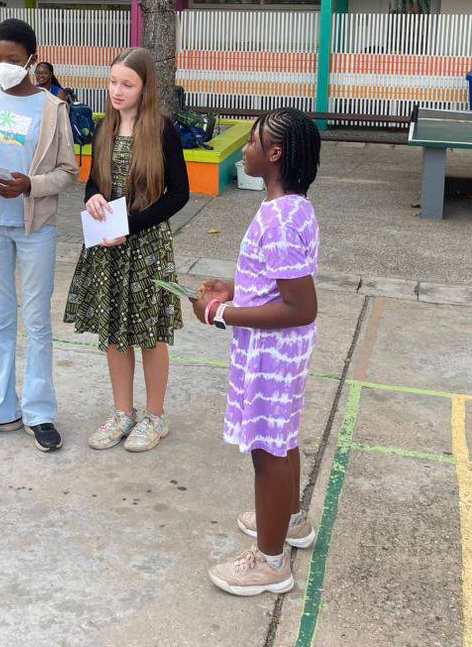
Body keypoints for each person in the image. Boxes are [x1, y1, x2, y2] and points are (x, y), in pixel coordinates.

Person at [193, 107, 321, 597]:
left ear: (274, 154)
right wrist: (235, 288)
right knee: (281, 440)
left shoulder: (279, 219)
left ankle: (270, 563)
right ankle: (290, 520)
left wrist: (221, 313)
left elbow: (300, 306)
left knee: (268, 453)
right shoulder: (293, 207)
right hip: (281, 354)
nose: (244, 149)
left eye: (252, 142)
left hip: (272, 356)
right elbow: (277, 280)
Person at [0, 18, 78, 453]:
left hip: (34, 228)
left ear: (32, 59)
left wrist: (31, 185)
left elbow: (67, 170)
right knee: (1, 317)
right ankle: (1, 408)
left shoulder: (51, 107)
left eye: (12, 58)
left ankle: (39, 411)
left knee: (37, 319)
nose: (3, 65)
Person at [65, 47, 189, 453]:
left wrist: (130, 227)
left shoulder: (162, 130)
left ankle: (155, 417)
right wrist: (92, 197)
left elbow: (179, 195)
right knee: (114, 330)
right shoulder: (105, 126)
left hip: (146, 246)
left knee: (150, 334)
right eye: (113, 81)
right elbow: (93, 180)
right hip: (108, 246)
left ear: (145, 87)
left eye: (127, 84)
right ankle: (123, 413)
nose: (117, 91)